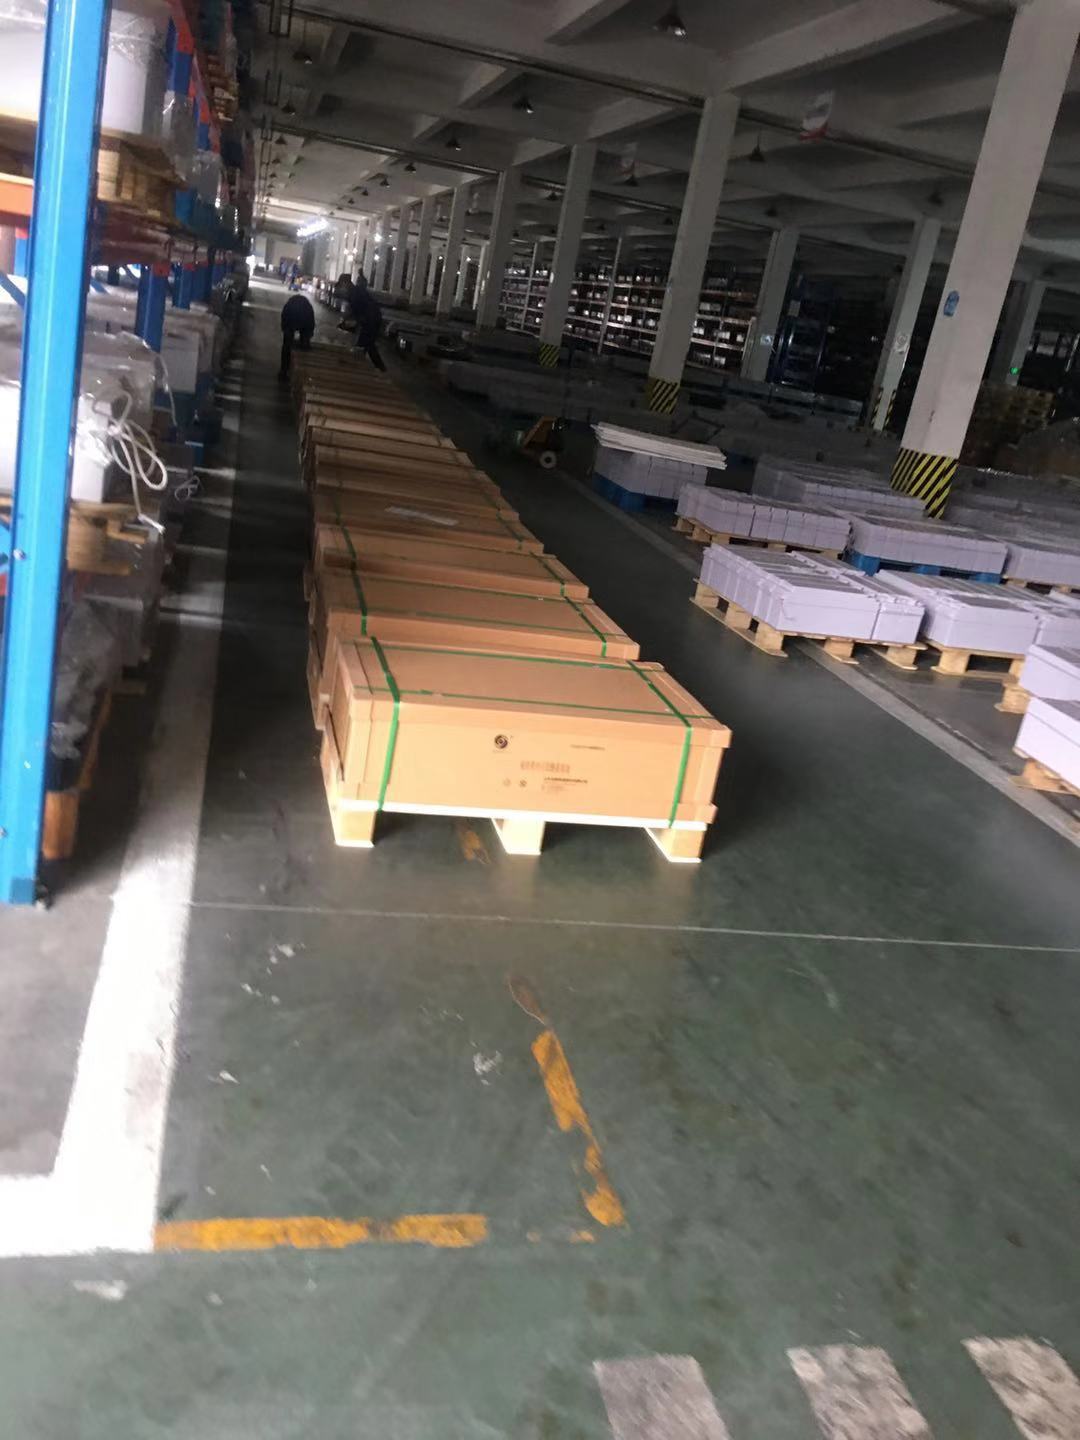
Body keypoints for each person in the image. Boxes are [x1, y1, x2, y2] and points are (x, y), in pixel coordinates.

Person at [335, 272, 386, 371]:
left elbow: (356, 313)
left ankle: (364, 368)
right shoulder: (355, 291)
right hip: (372, 318)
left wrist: (345, 323)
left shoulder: (354, 293)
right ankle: (372, 367)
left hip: (371, 320)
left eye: (341, 285)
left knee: (364, 344)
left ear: (345, 283)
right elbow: (355, 312)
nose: (342, 289)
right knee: (367, 344)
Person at [279, 292, 315, 378]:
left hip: (291, 314)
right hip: (305, 316)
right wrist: (306, 341)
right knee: (304, 345)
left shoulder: (289, 305)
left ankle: (284, 371)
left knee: (287, 344)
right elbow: (310, 327)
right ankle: (301, 372)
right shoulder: (308, 308)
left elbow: (284, 322)